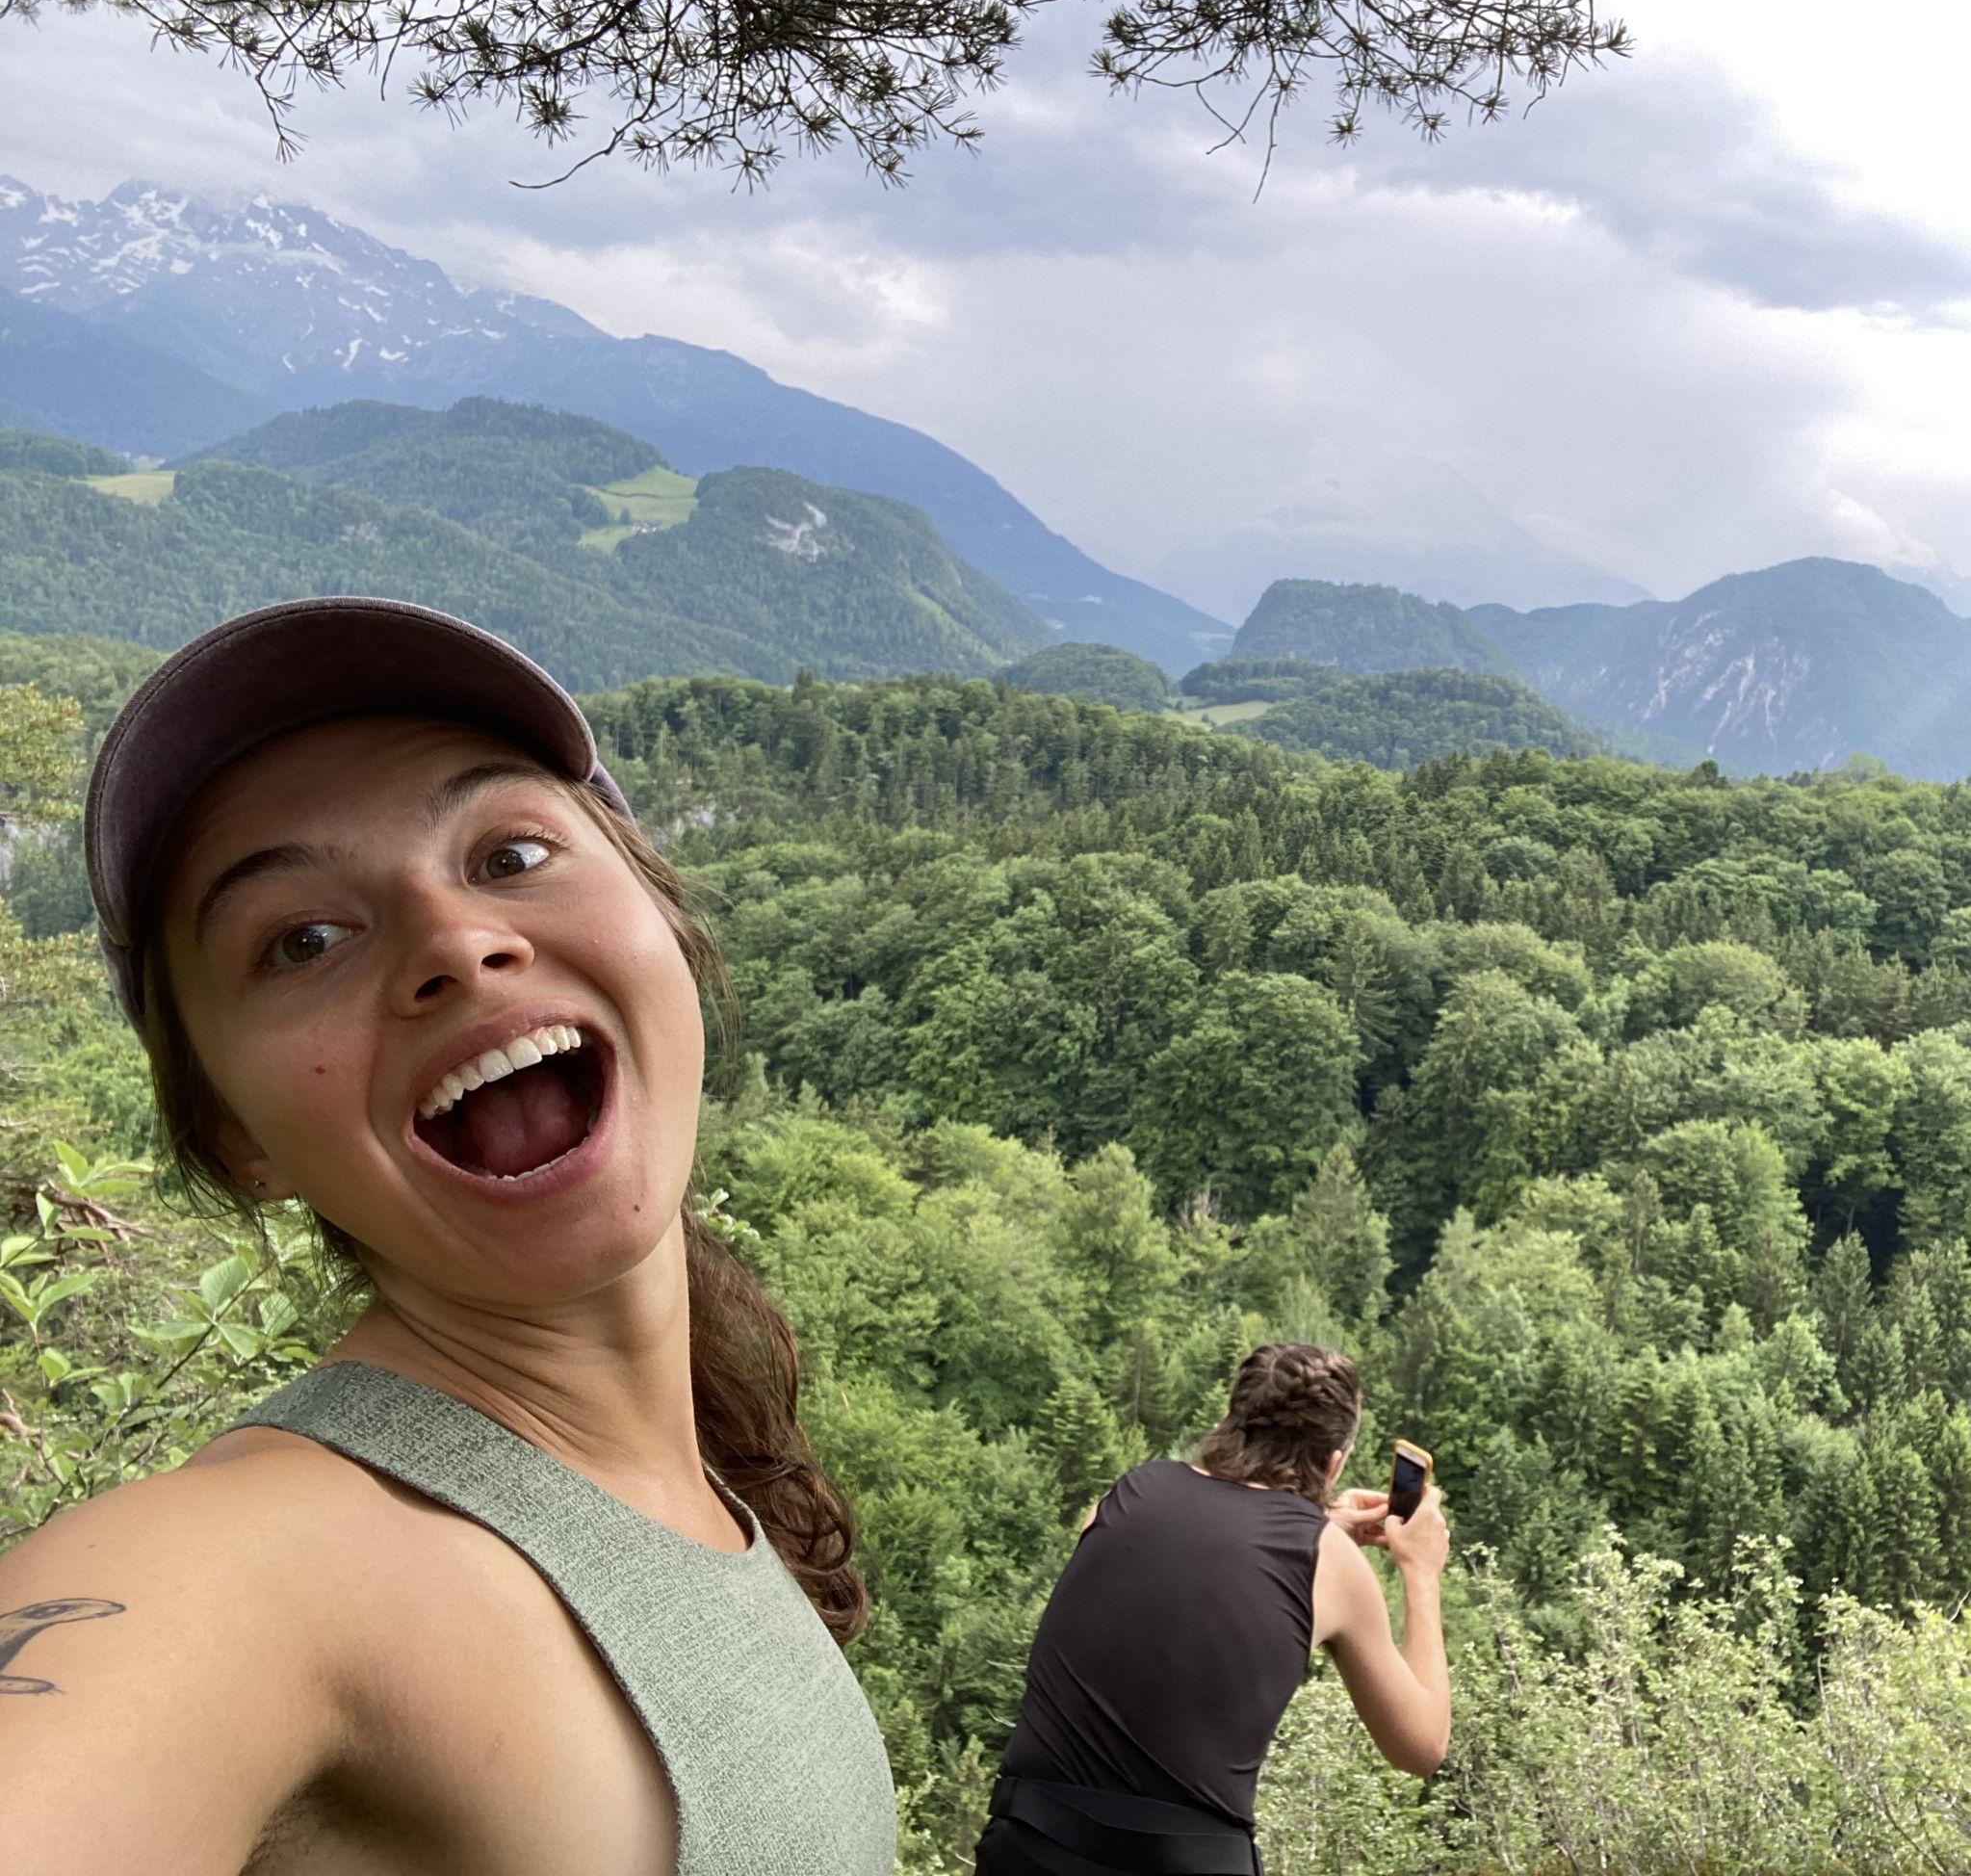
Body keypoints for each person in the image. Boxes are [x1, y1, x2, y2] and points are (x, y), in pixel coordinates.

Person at [0, 598, 897, 1875]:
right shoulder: (256, 1566)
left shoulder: (703, 1489)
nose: (458, 945)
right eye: (303, 940)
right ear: (236, 1134)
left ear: (665, 926)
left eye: (509, 856)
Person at [976, 1342, 1450, 1875]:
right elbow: (1421, 1746)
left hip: (1030, 1847)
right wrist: (1421, 1571)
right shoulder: (1327, 1562)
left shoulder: (1125, 1495)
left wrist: (1320, 1529)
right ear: (1335, 1461)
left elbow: (1190, 1565)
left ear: (1230, 1420)